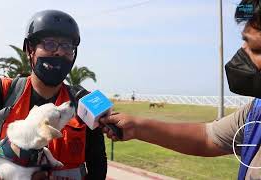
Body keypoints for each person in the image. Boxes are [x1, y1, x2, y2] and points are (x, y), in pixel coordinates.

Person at [101, 0, 261, 179]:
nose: (242, 52)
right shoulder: (256, 111)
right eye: (244, 42)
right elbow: (208, 137)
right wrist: (137, 127)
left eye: (254, 47)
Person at [0, 10, 107, 180]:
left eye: (67, 46)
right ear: (30, 49)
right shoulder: (4, 91)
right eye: (50, 44)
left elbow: (98, 164)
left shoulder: (84, 102)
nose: (59, 52)